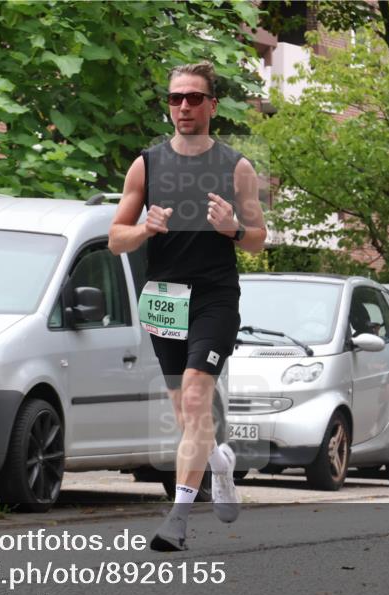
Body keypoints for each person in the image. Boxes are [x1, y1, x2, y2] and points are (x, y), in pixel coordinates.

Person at [108, 61, 266, 550]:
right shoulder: (147, 164)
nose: (183, 106)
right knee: (185, 411)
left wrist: (232, 229)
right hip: (164, 298)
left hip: (214, 297)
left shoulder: (236, 167)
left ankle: (176, 520)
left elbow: (259, 238)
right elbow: (116, 239)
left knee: (196, 399)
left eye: (194, 98)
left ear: (212, 105)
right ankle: (219, 461)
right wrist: (145, 229)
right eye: (176, 98)